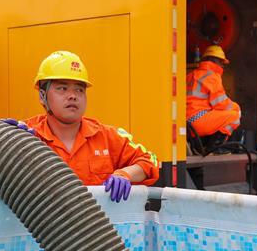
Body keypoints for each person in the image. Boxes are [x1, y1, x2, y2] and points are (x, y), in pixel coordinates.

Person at [20, 50, 159, 202]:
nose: (72, 95)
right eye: (62, 88)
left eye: (79, 89)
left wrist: (124, 174)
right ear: (42, 96)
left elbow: (150, 161)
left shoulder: (106, 136)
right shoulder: (25, 134)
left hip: (95, 224)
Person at [185, 45, 241, 148]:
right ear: (215, 60)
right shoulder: (212, 76)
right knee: (234, 116)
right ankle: (216, 147)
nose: (223, 66)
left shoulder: (190, 75)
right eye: (222, 62)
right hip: (197, 121)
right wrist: (236, 108)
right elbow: (220, 103)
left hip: (186, 124)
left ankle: (203, 146)